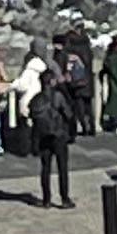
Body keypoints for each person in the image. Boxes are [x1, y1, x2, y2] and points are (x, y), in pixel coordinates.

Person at [31, 69, 77, 205]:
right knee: (62, 168)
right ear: (52, 81)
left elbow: (32, 118)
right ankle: (64, 198)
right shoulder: (58, 96)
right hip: (59, 135)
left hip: (43, 137)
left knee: (45, 168)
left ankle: (46, 199)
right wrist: (71, 133)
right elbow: (68, 115)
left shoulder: (37, 99)